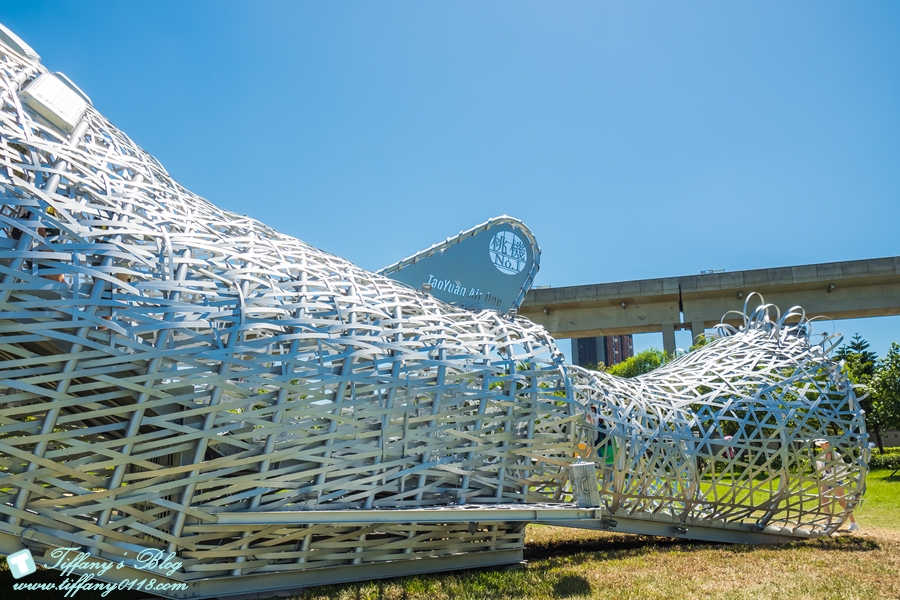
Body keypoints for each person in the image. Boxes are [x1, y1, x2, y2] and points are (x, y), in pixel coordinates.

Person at [815, 439, 860, 532]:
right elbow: (820, 468)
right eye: (820, 445)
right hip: (826, 480)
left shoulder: (836, 455)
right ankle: (828, 521)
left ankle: (853, 522)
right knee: (824, 499)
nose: (821, 446)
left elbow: (841, 468)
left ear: (828, 443)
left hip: (837, 481)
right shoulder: (822, 455)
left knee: (842, 502)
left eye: (822, 444)